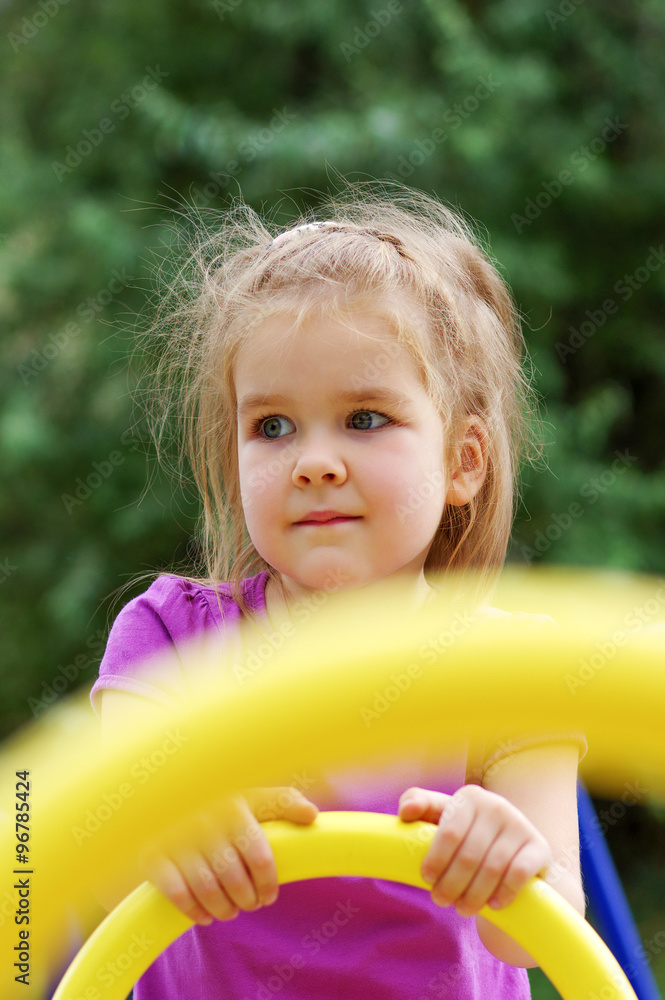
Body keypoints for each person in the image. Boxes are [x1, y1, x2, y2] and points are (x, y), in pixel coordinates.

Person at [91, 181, 585, 999]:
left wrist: (513, 863)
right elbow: (93, 867)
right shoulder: (169, 636)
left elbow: (537, 930)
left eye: (363, 418)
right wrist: (158, 828)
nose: (313, 461)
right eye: (272, 427)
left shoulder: (516, 668)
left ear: (462, 460)